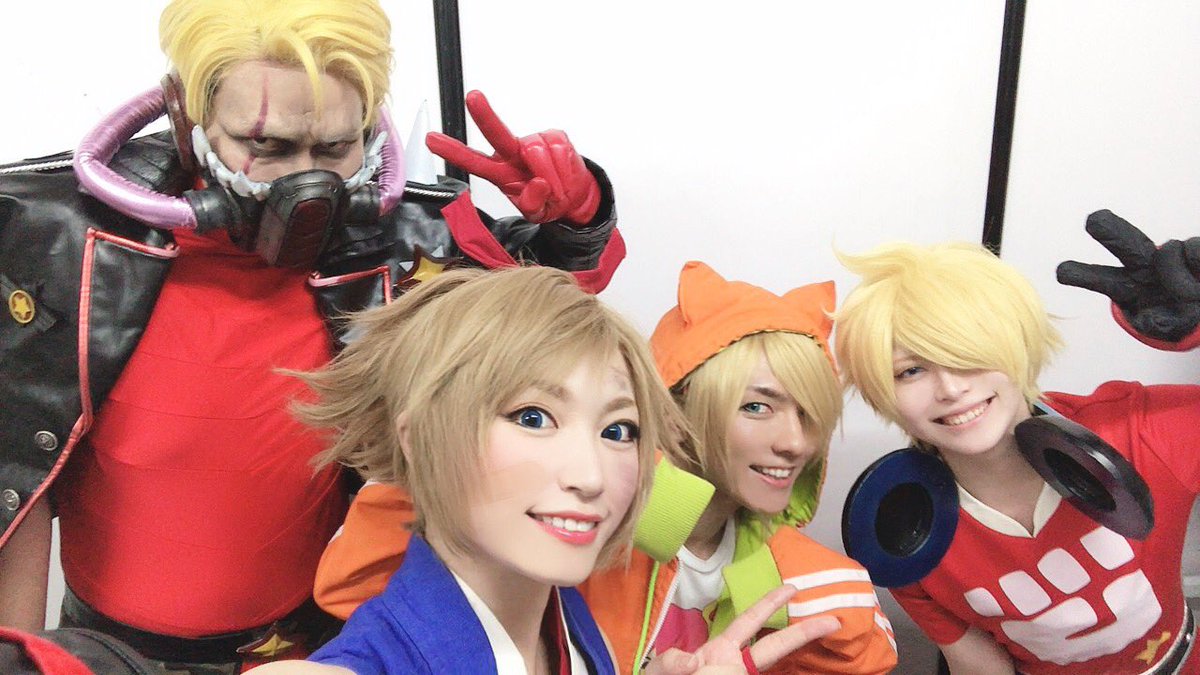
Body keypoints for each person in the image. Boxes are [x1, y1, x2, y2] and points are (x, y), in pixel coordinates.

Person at [0, 0, 623, 671]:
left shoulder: (404, 248)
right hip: (99, 651)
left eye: (334, 148)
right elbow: (17, 472)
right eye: (267, 145)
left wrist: (573, 230)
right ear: (187, 119)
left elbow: (537, 331)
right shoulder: (58, 236)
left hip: (319, 648)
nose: (306, 181)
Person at [249, 265, 841, 675]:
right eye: (532, 417)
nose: (592, 475)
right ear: (418, 436)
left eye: (619, 430)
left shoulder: (572, 626)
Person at [833, 211, 1200, 674]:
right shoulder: (904, 533)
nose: (951, 389)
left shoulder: (1140, 430)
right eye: (911, 371)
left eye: (965, 353)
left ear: (1018, 343)